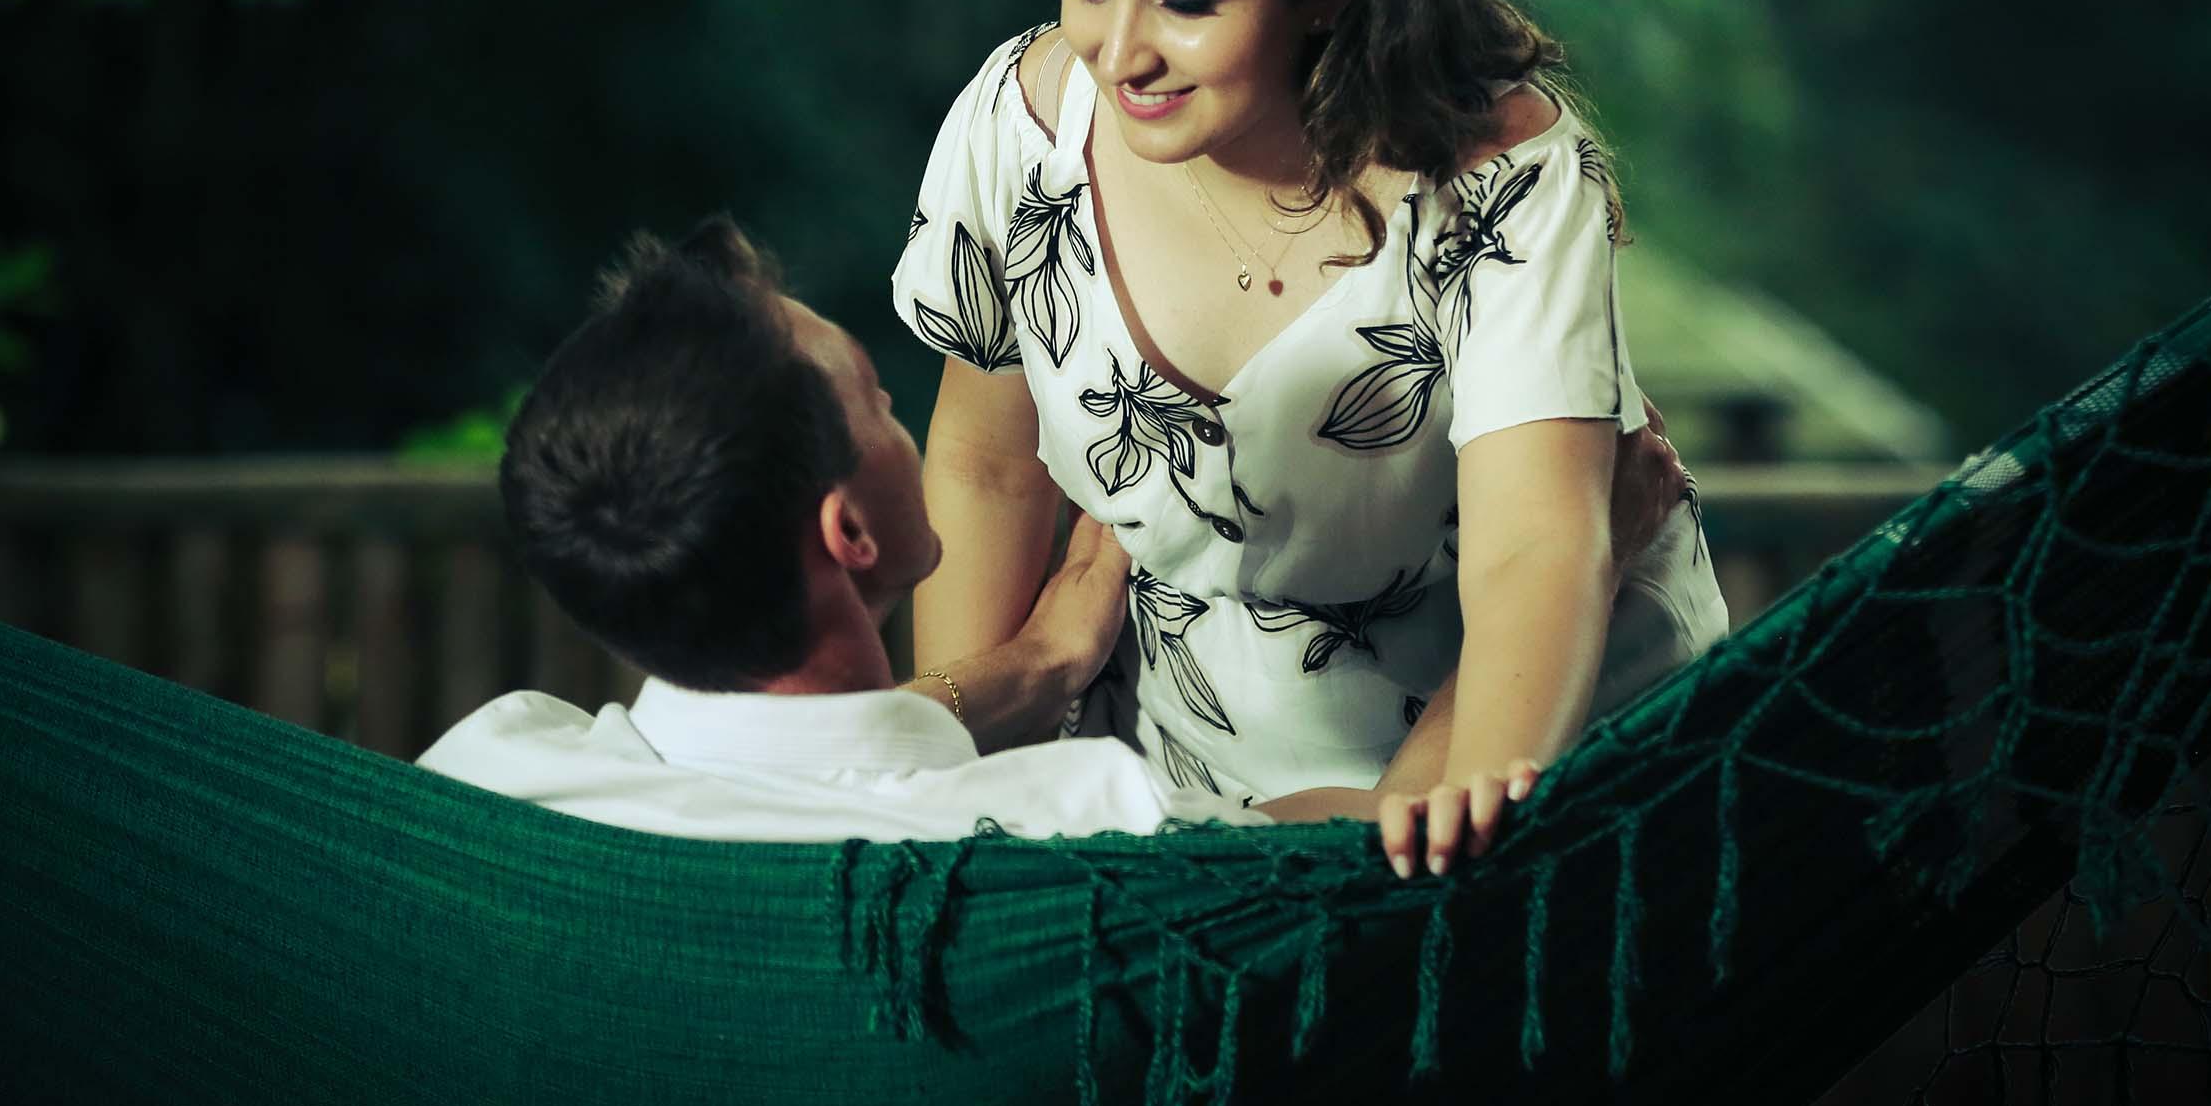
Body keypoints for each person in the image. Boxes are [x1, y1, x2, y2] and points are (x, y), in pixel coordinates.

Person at [891, 0, 1730, 822]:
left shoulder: (1500, 182)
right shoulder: (1024, 129)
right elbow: (987, 466)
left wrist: (1456, 832)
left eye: (1185, 0)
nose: (1120, 51)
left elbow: (1535, 547)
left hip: (1531, 730)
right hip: (1186, 761)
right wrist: (968, 810)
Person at [417, 213, 1560, 872]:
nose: (904, 416)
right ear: (848, 533)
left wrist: (1039, 665)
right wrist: (1556, 557)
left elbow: (793, 765)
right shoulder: (1067, 832)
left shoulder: (485, 786)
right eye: (875, 398)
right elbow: (1385, 861)